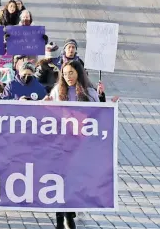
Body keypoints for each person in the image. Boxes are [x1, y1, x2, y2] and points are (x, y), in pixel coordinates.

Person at [45, 60, 101, 229]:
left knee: (73, 183)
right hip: (60, 144)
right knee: (58, 181)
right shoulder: (57, 91)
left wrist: (107, 101)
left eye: (72, 73)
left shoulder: (89, 93)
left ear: (78, 73)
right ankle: (60, 219)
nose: (69, 77)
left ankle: (70, 214)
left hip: (79, 145)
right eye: (66, 73)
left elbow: (98, 115)